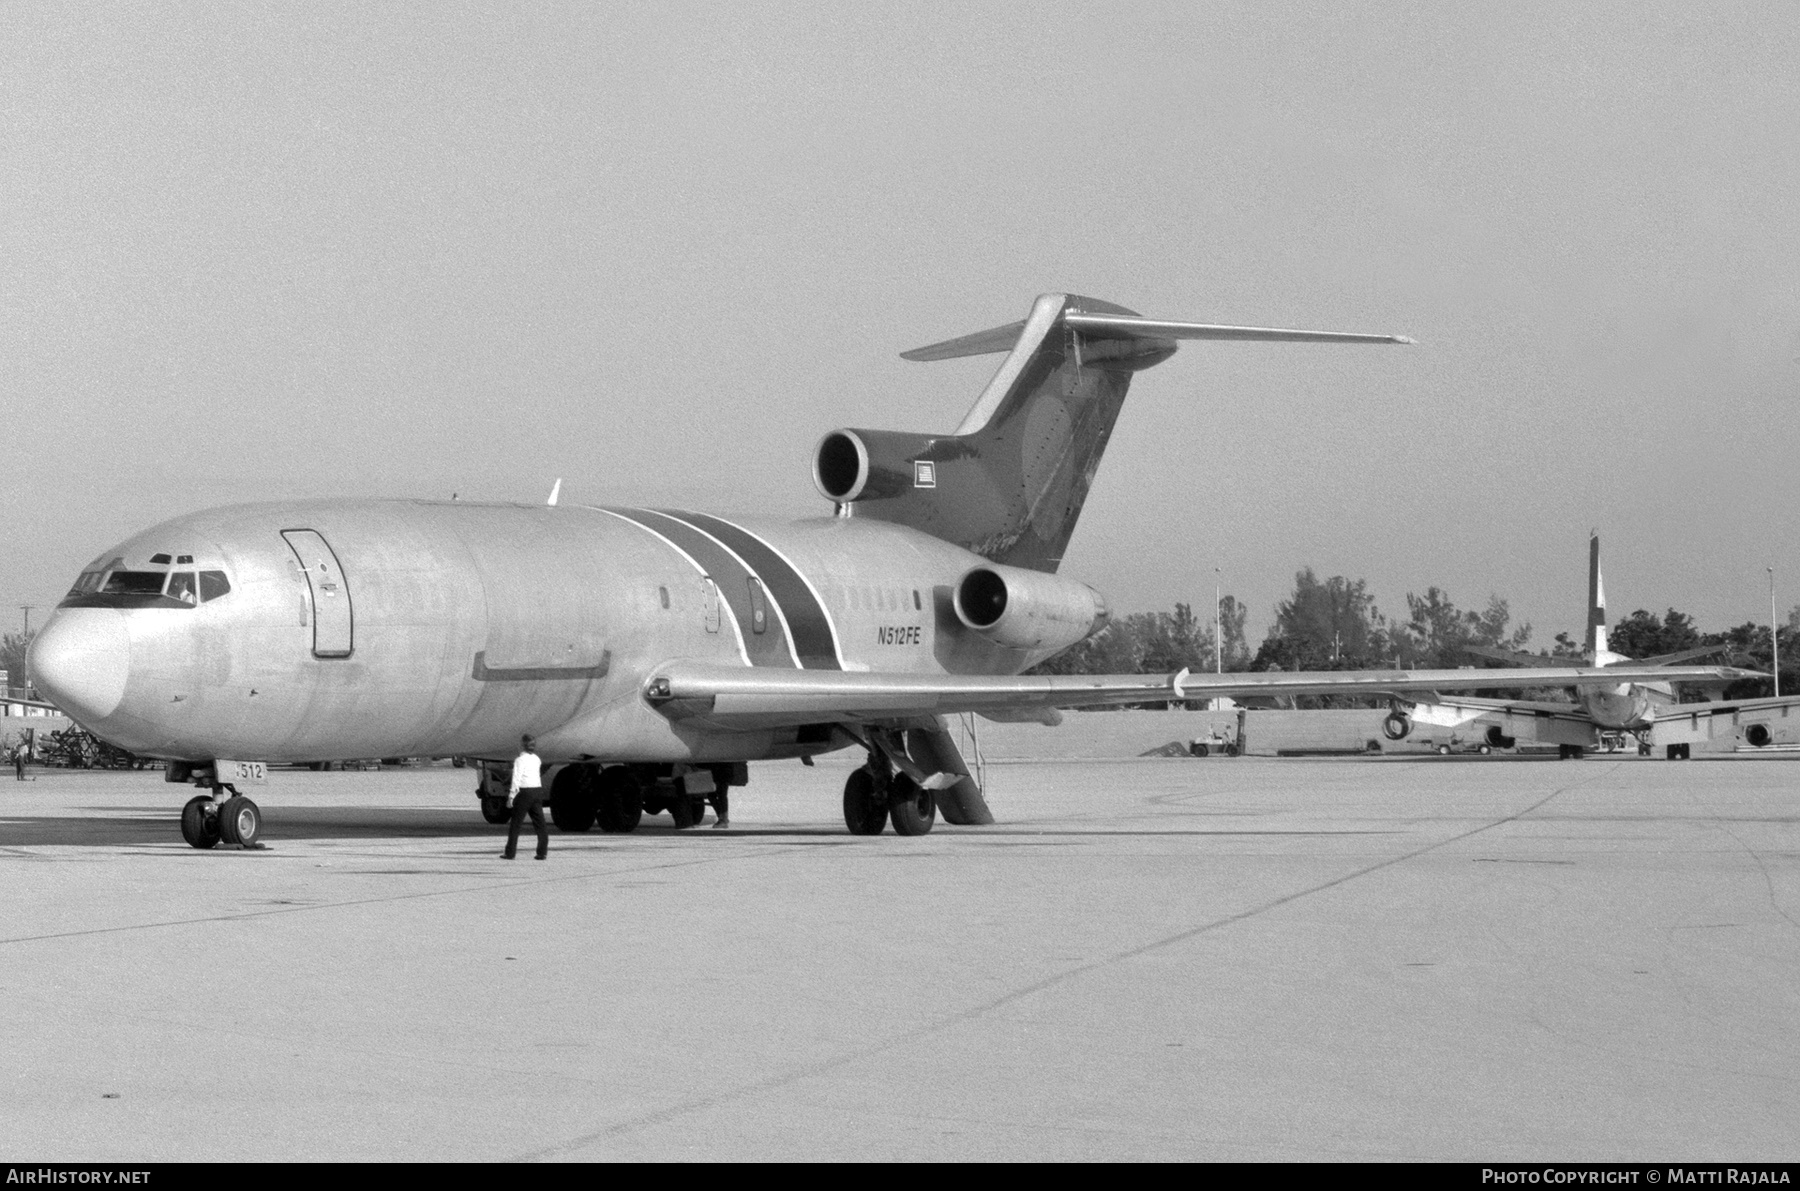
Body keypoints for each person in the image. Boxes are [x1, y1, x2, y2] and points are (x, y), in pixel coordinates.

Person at [503, 734, 547, 860]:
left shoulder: (519, 760)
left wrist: (511, 796)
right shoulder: (536, 759)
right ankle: (542, 852)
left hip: (524, 792)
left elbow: (516, 779)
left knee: (516, 823)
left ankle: (510, 852)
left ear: (522, 745)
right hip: (537, 790)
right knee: (540, 823)